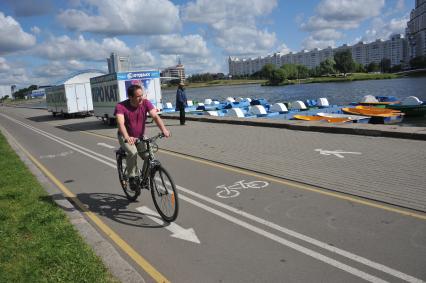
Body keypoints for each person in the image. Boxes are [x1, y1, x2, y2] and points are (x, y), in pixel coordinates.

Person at [115, 85, 170, 190]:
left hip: (140, 137)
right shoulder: (121, 107)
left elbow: (155, 116)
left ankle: (144, 179)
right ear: (130, 97)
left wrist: (164, 130)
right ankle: (132, 177)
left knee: (149, 155)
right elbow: (121, 123)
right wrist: (127, 137)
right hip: (125, 136)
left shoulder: (145, 103)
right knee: (132, 152)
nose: (141, 98)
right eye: (138, 96)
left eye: (142, 95)